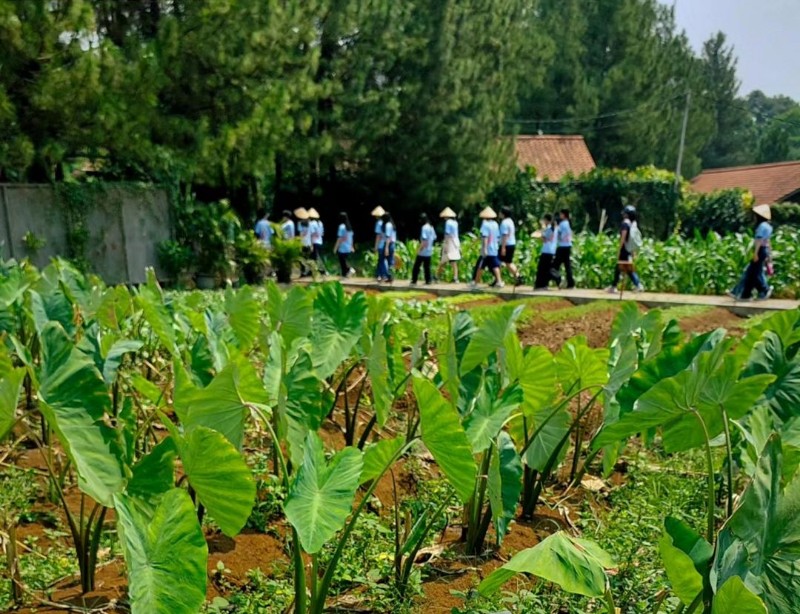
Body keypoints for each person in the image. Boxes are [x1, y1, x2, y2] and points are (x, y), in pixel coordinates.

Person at [729, 204, 774, 301]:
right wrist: (769, 254)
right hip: (764, 250)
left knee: (754, 272)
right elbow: (768, 241)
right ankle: (746, 294)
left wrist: (755, 253)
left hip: (760, 250)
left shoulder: (761, 226)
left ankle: (764, 289)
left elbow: (759, 240)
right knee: (752, 272)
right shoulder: (769, 226)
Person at [607, 205, 644, 293]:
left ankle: (637, 285)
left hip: (624, 249)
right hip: (629, 249)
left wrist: (619, 249)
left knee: (626, 268)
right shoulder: (633, 224)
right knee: (623, 267)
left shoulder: (625, 223)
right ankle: (614, 285)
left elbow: (623, 237)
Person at [469, 207, 504, 289]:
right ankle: (499, 281)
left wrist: (484, 249)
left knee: (480, 266)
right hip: (494, 248)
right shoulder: (495, 224)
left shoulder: (485, 224)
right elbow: (497, 236)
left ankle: (475, 283)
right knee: (494, 266)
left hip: (487, 250)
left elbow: (485, 237)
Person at [533, 214, 560, 289]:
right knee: (546, 268)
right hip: (551, 250)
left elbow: (544, 239)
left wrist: (539, 234)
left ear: (546, 220)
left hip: (547, 250)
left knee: (542, 268)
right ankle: (544, 284)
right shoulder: (555, 228)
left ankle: (542, 284)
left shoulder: (550, 228)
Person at [436, 207, 461, 282]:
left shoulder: (448, 222)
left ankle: (437, 276)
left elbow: (447, 234)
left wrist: (446, 245)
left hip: (449, 242)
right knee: (453, 261)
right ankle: (455, 277)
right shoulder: (455, 222)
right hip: (455, 242)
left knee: (443, 260)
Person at [411, 213, 437, 285]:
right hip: (429, 250)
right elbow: (434, 237)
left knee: (416, 266)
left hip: (423, 251)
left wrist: (419, 249)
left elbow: (424, 241)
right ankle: (428, 280)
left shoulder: (424, 228)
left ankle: (414, 280)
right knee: (427, 267)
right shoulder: (431, 227)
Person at [499, 206, 522, 284]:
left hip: (506, 244)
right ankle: (518, 276)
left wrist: (503, 247)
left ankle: (498, 279)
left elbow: (505, 235)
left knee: (499, 262)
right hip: (511, 244)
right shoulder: (510, 221)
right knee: (508, 262)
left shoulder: (504, 222)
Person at [553, 209, 575, 288]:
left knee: (555, 265)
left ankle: (558, 279)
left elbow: (559, 235)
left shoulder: (562, 224)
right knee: (567, 265)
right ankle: (570, 282)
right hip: (568, 246)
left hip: (562, 246)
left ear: (563, 215)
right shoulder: (568, 223)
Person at [333, 212, 355, 278]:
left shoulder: (341, 227)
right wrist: (351, 246)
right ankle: (344, 275)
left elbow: (339, 238)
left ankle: (349, 269)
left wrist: (335, 248)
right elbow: (351, 238)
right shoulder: (349, 227)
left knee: (342, 261)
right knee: (343, 260)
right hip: (348, 247)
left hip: (342, 247)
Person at [378, 212, 396, 283]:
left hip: (387, 244)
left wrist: (386, 248)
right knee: (390, 261)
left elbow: (388, 237)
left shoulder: (387, 225)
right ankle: (390, 276)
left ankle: (385, 275)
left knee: (382, 260)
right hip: (391, 244)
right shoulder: (391, 224)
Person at [307, 208, 327, 274]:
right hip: (320, 241)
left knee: (313, 258)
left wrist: (311, 244)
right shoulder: (320, 223)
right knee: (317, 257)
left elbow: (311, 234)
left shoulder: (311, 223)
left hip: (314, 242)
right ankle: (318, 270)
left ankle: (315, 271)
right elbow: (322, 233)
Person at [372, 206, 386, 281]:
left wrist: (375, 246)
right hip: (386, 244)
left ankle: (381, 275)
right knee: (382, 260)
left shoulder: (378, 224)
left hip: (381, 244)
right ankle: (379, 274)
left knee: (381, 260)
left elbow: (378, 236)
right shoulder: (386, 223)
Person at [296, 207, 312, 276]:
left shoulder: (299, 223)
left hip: (302, 243)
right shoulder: (310, 223)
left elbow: (300, 234)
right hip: (308, 243)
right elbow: (310, 234)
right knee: (307, 258)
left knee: (301, 258)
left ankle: (303, 271)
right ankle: (309, 271)